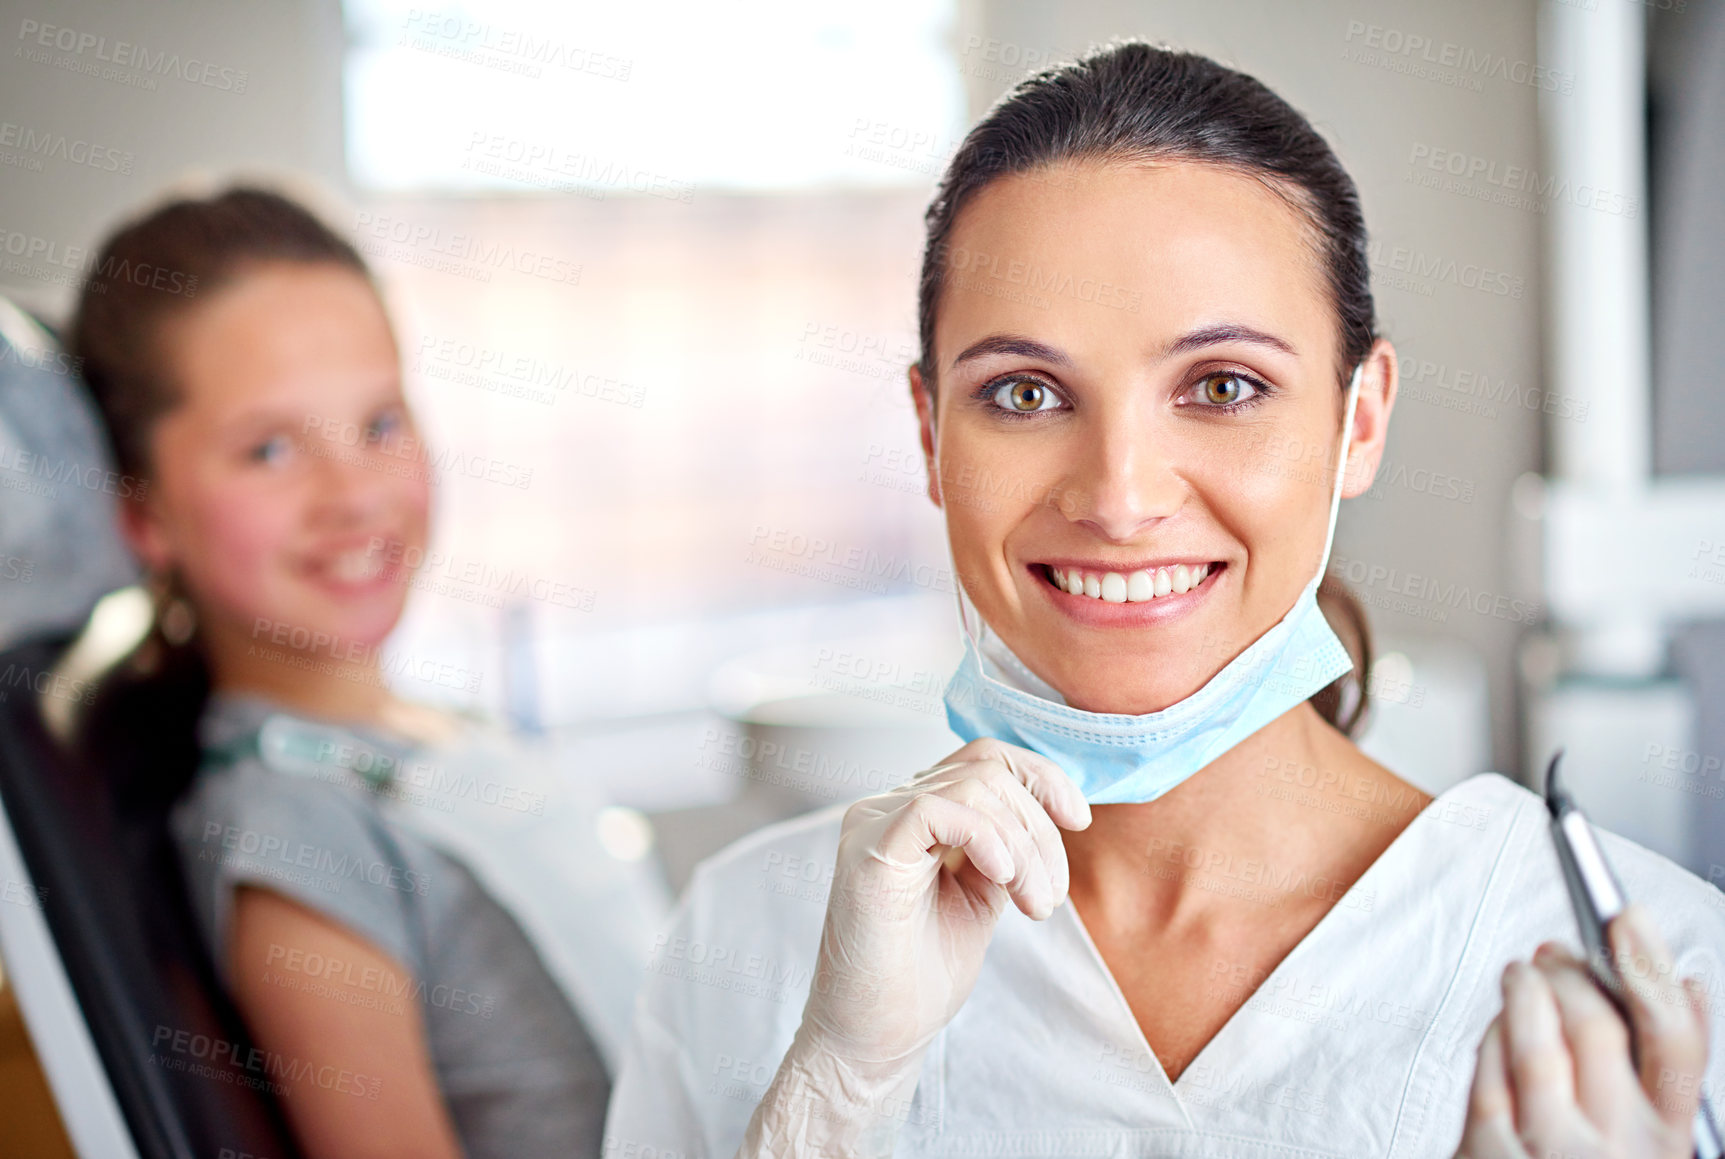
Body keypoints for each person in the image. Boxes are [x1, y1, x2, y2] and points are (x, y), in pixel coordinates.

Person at [606, 43, 1725, 1158]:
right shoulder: (747, 939)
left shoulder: (1661, 980)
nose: (1120, 496)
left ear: (1361, 420)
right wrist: (834, 1095)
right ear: (929, 433)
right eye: (1025, 392)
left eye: (1223, 386)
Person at [70, 186, 666, 1159]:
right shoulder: (294, 840)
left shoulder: (420, 733)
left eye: (380, 424)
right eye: (270, 448)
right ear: (142, 514)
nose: (353, 494)